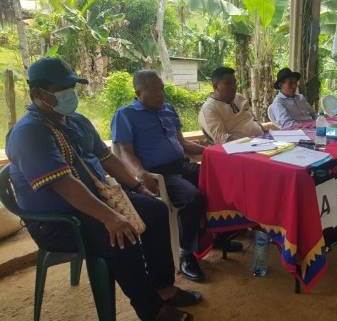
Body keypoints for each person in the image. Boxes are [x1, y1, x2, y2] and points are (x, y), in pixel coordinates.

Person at [6, 57, 200, 321]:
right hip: (61, 221)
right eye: (62, 88)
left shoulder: (76, 121)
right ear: (38, 93)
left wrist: (137, 187)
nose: (70, 94)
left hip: (97, 199)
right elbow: (65, 185)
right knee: (122, 232)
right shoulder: (30, 133)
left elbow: (107, 158)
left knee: (155, 209)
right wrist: (111, 217)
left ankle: (163, 288)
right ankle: (151, 311)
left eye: (72, 87)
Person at [111, 70, 242, 282]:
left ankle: (217, 236)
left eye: (161, 88)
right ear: (138, 92)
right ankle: (186, 254)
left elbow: (182, 144)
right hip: (160, 173)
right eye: (154, 90)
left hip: (182, 165)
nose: (161, 94)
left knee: (223, 183)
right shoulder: (125, 115)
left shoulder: (168, 109)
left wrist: (210, 151)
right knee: (193, 198)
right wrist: (140, 173)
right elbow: (125, 151)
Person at [199, 67, 264, 144]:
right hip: (243, 149)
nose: (233, 87)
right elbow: (222, 139)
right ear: (215, 87)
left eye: (234, 82)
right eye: (228, 83)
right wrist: (251, 142)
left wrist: (263, 130)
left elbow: (253, 118)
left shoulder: (239, 97)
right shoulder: (209, 109)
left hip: (263, 141)